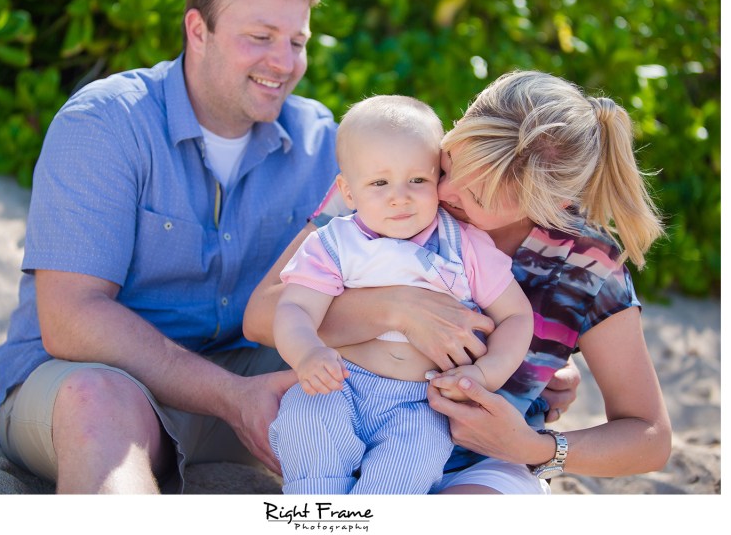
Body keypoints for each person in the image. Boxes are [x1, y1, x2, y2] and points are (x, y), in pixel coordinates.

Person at [0, 0, 339, 494]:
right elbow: (71, 318)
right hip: (95, 381)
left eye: (297, 41)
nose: (284, 63)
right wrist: (230, 396)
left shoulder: (321, 142)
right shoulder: (105, 123)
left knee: (378, 364)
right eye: (261, 38)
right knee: (96, 403)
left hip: (248, 381)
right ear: (198, 31)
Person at [244, 70, 671, 494]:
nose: (443, 194)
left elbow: (649, 437)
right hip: (351, 426)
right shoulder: (393, 181)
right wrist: (397, 309)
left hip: (482, 462)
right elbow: (263, 315)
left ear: (547, 206)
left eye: (477, 197)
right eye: (448, 166)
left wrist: (534, 446)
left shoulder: (584, 265)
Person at [269, 95, 533, 494]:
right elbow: (294, 308)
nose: (400, 196)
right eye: (379, 182)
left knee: (406, 468)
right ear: (349, 191)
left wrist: (486, 372)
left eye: (418, 180)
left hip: (420, 402)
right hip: (341, 383)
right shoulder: (334, 244)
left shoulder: (464, 245)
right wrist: (306, 353)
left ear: (438, 181)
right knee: (305, 425)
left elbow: (516, 315)